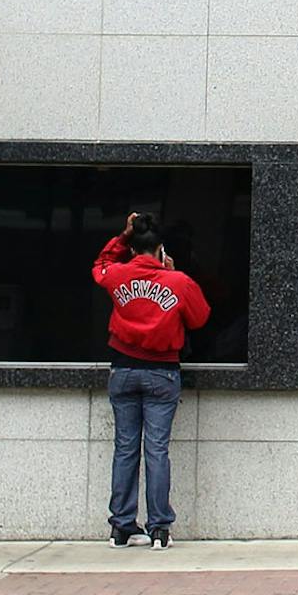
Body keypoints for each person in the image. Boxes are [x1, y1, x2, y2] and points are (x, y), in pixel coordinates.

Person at [91, 211, 210, 550]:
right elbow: (200, 317)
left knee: (125, 449)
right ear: (161, 249)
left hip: (123, 370)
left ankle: (121, 527)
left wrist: (122, 236)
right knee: (156, 450)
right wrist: (171, 273)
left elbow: (99, 265)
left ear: (133, 247)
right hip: (161, 372)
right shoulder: (178, 281)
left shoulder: (117, 274)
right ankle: (159, 528)